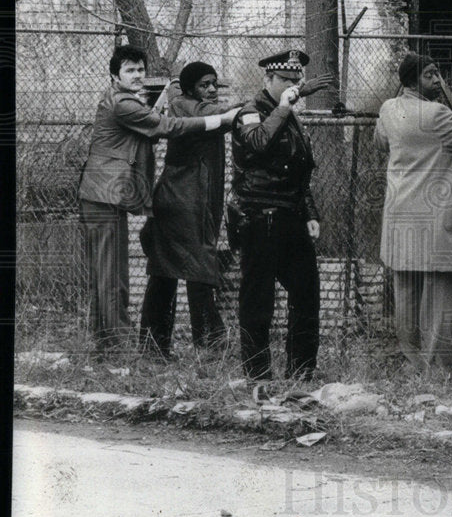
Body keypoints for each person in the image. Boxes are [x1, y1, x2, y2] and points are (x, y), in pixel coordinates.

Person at [78, 45, 239, 357]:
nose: (138, 75)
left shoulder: (127, 100)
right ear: (115, 74)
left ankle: (109, 348)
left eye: (141, 69)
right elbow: (164, 127)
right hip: (102, 197)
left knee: (113, 278)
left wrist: (165, 97)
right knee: (111, 280)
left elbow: (150, 125)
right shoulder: (122, 102)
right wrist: (221, 120)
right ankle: (117, 351)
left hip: (107, 197)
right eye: (130, 70)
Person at [375, 51, 452, 376]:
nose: (438, 79)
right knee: (439, 291)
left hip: (401, 217)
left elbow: (380, 143)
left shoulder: (388, 109)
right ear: (413, 80)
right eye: (431, 74)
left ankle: (412, 362)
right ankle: (437, 368)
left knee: (404, 287)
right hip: (435, 219)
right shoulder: (436, 114)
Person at [228, 49, 333, 382]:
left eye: (296, 80)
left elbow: (299, 170)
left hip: (291, 216)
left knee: (306, 292)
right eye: (285, 80)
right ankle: (258, 375)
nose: (292, 85)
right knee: (258, 300)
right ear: (268, 79)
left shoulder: (287, 115)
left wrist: (310, 212)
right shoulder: (251, 112)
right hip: (259, 217)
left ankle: (301, 372)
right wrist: (286, 105)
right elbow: (257, 144)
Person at [137, 62, 233, 359]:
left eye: (214, 83)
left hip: (193, 202)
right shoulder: (183, 105)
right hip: (179, 202)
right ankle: (207, 348)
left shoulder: (203, 106)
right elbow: (217, 115)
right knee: (194, 270)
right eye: (205, 84)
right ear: (191, 88)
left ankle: (156, 349)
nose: (212, 89)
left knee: (172, 271)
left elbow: (225, 117)